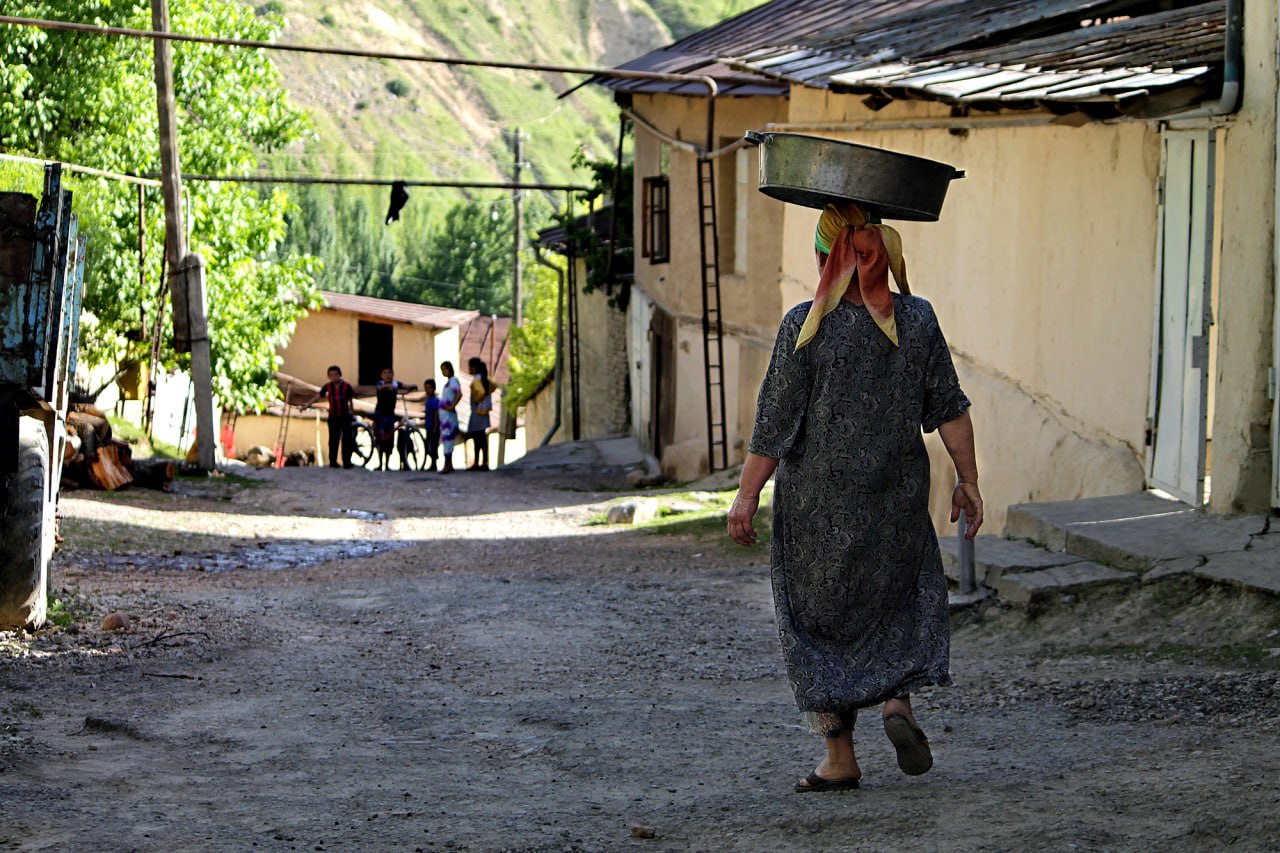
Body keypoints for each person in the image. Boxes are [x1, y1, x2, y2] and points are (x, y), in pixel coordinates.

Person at [727, 201, 983, 793]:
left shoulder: (805, 326)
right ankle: (898, 702)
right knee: (897, 598)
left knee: (818, 623)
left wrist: (745, 496)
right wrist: (969, 481)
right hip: (896, 494)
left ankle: (840, 758)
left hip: (817, 505)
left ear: (826, 258)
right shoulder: (917, 319)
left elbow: (774, 425)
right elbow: (950, 408)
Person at [302, 365, 356, 469]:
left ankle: (347, 462)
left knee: (346, 440)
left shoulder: (346, 386)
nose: (334, 377)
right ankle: (333, 461)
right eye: (331, 375)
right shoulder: (328, 387)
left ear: (340, 375)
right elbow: (318, 396)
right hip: (333, 417)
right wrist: (308, 405)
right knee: (333, 440)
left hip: (345, 416)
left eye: (336, 374)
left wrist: (352, 413)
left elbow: (350, 400)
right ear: (328, 376)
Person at [465, 357, 494, 471]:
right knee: (482, 438)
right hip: (484, 412)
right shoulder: (484, 379)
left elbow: (481, 392)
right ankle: (484, 461)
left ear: (474, 368)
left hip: (477, 412)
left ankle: (477, 462)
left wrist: (477, 399)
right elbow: (493, 386)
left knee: (477, 438)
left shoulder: (476, 380)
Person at [437, 361, 461, 474]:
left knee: (448, 439)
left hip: (448, 417)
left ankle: (448, 464)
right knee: (446, 439)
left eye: (445, 369)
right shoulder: (449, 382)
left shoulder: (453, 381)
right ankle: (448, 463)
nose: (443, 372)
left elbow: (458, 393)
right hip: (444, 416)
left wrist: (452, 405)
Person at [422, 378, 441, 471]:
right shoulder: (427, 400)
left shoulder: (435, 400)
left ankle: (434, 463)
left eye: (429, 388)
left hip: (434, 427)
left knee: (434, 445)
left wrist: (435, 426)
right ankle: (431, 462)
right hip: (428, 426)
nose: (427, 390)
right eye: (426, 388)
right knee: (428, 444)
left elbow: (437, 414)